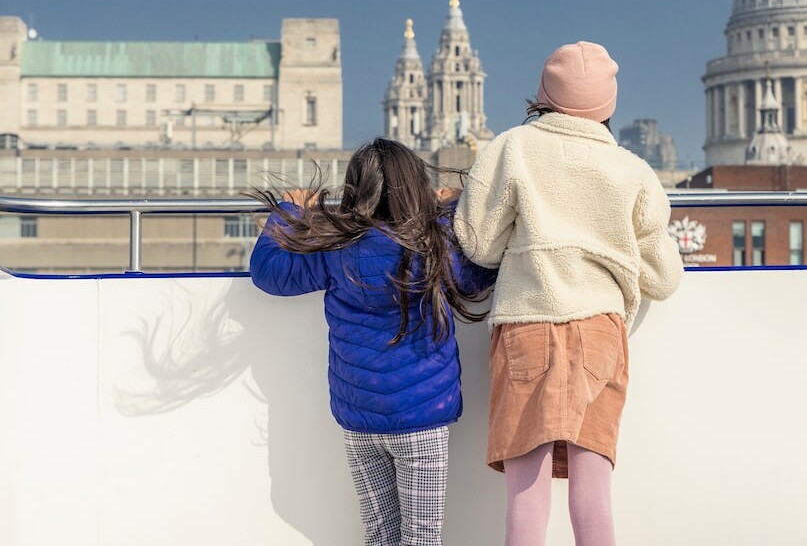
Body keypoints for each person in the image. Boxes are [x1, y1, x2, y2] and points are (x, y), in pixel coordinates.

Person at [453, 41, 684, 546]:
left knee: (525, 489)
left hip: (526, 326)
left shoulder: (512, 147)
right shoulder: (632, 170)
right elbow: (663, 279)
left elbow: (478, 243)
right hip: (599, 329)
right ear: (609, 105)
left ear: (545, 94)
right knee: (593, 486)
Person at [248, 137, 495, 546]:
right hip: (422, 417)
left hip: (359, 415)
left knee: (380, 535)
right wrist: (454, 204)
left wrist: (291, 209)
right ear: (416, 186)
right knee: (422, 536)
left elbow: (269, 272)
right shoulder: (436, 243)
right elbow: (481, 270)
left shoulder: (335, 245)